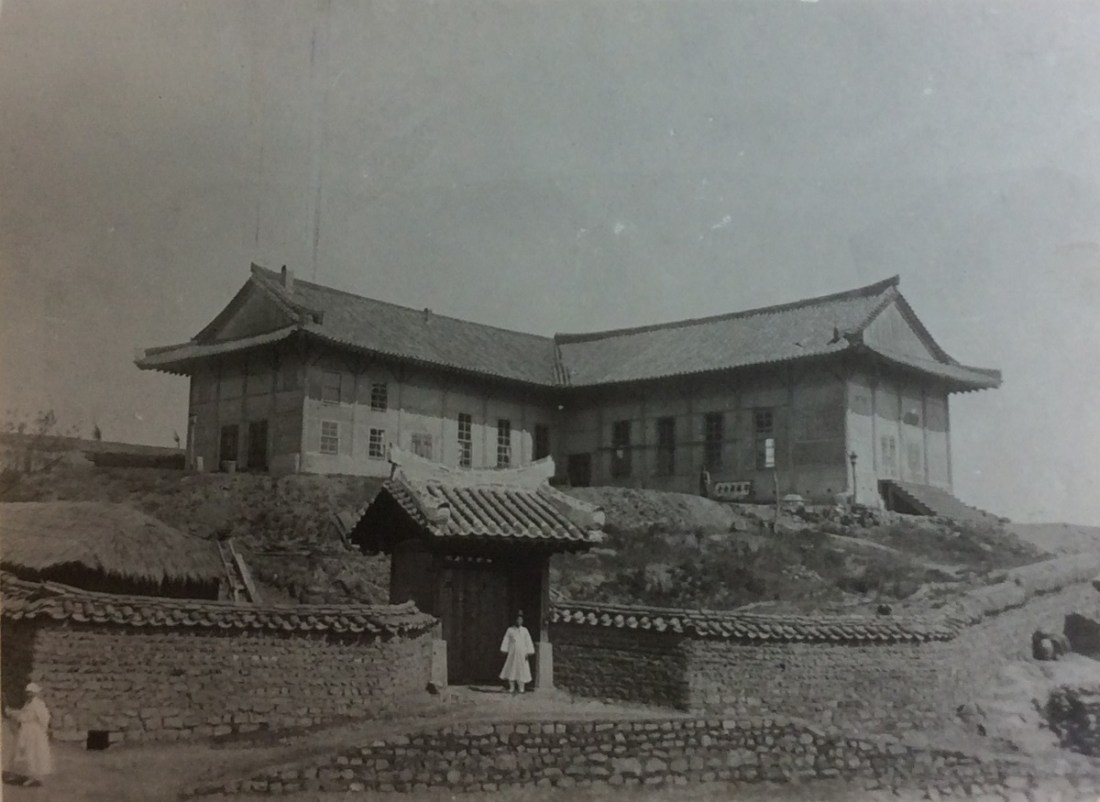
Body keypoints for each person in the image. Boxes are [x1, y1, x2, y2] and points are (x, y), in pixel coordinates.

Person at [5, 683, 53, 786]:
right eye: (27, 692)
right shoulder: (28, 703)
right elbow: (23, 715)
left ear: (35, 693)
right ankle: (30, 775)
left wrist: (41, 730)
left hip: (34, 732)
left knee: (35, 752)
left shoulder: (38, 704)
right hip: (27, 730)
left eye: (31, 692)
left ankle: (36, 777)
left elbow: (44, 718)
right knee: (26, 752)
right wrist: (12, 713)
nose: (29, 694)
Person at [499, 612, 535, 693]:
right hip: (512, 653)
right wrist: (504, 649)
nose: (519, 621)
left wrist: (529, 651)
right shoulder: (510, 630)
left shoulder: (525, 630)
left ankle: (521, 687)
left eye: (521, 620)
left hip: (522, 653)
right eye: (518, 620)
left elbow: (528, 641)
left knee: (522, 670)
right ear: (515, 620)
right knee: (511, 669)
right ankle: (511, 687)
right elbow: (506, 640)